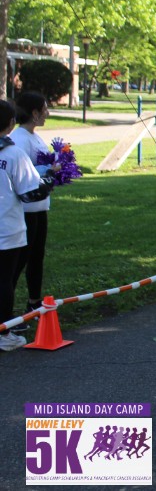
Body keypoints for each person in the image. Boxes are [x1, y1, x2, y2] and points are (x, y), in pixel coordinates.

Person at [0, 99, 46, 352]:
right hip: (7, 229)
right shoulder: (13, 154)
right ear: (10, 124)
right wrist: (50, 179)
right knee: (4, 280)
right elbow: (31, 193)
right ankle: (3, 333)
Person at [10, 92, 52, 326]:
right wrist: (48, 172)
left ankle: (34, 303)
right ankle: (7, 313)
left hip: (39, 207)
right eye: (45, 109)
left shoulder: (34, 136)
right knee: (19, 261)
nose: (48, 113)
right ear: (34, 113)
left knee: (37, 257)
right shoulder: (20, 139)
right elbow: (23, 174)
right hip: (25, 210)